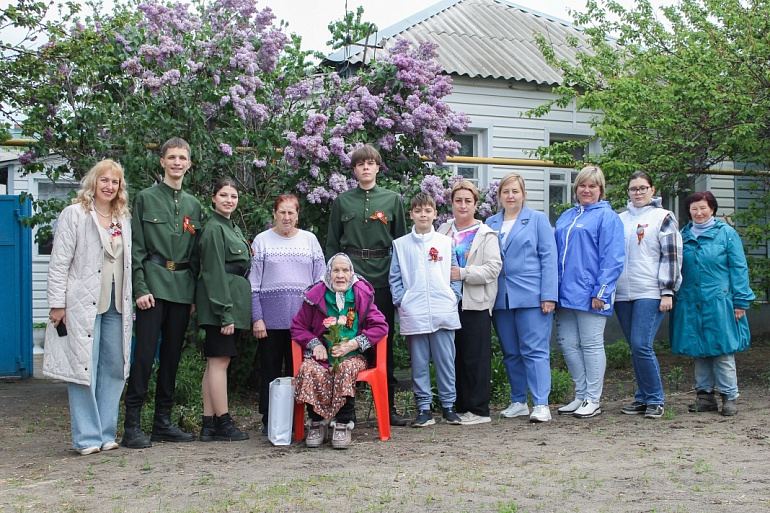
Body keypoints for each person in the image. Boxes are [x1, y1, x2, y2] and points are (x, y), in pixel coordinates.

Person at [44, 159, 133, 455]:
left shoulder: (123, 217)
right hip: (81, 304)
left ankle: (106, 433)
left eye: (115, 182)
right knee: (83, 368)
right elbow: (59, 263)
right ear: (93, 182)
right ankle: (86, 438)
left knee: (113, 367)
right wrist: (57, 305)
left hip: (116, 304)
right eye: (104, 180)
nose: (109, 186)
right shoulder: (75, 214)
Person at [122, 137, 201, 448]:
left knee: (171, 358)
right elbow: (137, 249)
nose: (177, 163)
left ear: (189, 164)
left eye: (182, 158)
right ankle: (131, 425)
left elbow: (194, 254)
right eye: (172, 157)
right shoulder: (146, 198)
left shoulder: (193, 205)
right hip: (152, 286)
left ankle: (162, 423)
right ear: (162, 162)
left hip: (181, 288)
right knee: (143, 357)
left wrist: (194, 295)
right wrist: (139, 287)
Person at [327, 144, 408, 426]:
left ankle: (389, 406)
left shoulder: (392, 200)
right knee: (345, 337)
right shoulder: (342, 201)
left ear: (377, 167)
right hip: (350, 282)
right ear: (354, 169)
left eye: (370, 163)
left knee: (383, 342)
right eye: (360, 164)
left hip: (382, 278)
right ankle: (344, 408)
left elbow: (401, 244)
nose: (365, 168)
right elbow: (333, 245)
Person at [290, 253, 388, 449]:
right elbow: (297, 327)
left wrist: (354, 344)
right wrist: (315, 344)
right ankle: (317, 423)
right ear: (328, 273)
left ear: (352, 273)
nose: (341, 275)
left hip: (353, 355)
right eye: (336, 270)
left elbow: (380, 326)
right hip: (322, 355)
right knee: (309, 369)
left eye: (345, 270)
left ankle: (343, 423)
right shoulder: (316, 295)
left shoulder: (361, 293)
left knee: (345, 369)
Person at [670, 191, 755, 416]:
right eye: (694, 209)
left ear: (712, 209)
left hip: (720, 301)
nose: (699, 213)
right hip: (690, 301)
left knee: (722, 349)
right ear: (688, 211)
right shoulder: (683, 235)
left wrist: (741, 300)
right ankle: (704, 396)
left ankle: (729, 396)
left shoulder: (726, 234)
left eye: (703, 208)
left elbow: (739, 268)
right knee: (699, 350)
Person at [485, 173, 557, 423]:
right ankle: (518, 401)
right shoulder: (491, 222)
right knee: (511, 352)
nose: (510, 196)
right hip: (500, 298)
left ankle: (541, 404)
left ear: (523, 194)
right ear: (499, 196)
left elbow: (549, 258)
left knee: (534, 351)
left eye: (515, 191)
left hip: (532, 296)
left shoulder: (537, 220)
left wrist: (549, 295)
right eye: (506, 192)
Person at [250, 194, 325, 435]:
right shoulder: (262, 241)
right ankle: (269, 420)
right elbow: (253, 284)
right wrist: (256, 318)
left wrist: (318, 320)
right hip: (270, 321)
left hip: (302, 322)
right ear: (274, 214)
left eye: (291, 212)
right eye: (282, 212)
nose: (286, 217)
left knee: (301, 371)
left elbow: (320, 283)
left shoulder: (310, 240)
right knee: (270, 370)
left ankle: (299, 419)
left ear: (298, 214)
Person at [554, 165, 624, 419]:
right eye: (582, 185)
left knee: (591, 344)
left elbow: (613, 259)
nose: (586, 190)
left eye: (592, 186)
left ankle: (593, 398)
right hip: (565, 295)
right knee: (569, 345)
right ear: (576, 189)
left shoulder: (608, 217)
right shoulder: (566, 216)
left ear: (601, 190)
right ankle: (581, 394)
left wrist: (601, 293)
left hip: (591, 295)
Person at [390, 192, 463, 427]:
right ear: (411, 214)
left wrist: (454, 296)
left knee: (445, 360)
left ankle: (448, 406)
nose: (423, 215)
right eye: (418, 210)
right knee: (419, 363)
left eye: (428, 210)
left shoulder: (445, 242)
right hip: (415, 312)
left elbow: (454, 272)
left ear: (435, 214)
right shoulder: (400, 245)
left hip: (443, 310)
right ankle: (423, 408)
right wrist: (403, 301)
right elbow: (395, 278)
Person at [615, 172, 683, 419]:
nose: (638, 193)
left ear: (652, 190)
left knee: (642, 344)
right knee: (635, 346)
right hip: (623, 294)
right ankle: (642, 397)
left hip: (651, 291)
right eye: (633, 189)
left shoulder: (663, 217)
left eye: (643, 188)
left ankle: (655, 398)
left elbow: (672, 255)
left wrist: (667, 290)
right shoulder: (619, 219)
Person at [437, 180, 502, 425]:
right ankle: (461, 406)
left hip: (475, 303)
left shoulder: (486, 234)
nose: (462, 205)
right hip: (447, 302)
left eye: (468, 201)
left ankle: (479, 409)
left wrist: (463, 273)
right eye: (458, 200)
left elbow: (493, 268)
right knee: (454, 356)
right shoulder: (443, 230)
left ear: (476, 204)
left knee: (475, 356)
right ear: (451, 203)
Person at [196, 178, 251, 442]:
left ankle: (208, 423)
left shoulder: (231, 227)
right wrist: (224, 312)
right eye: (224, 195)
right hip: (221, 305)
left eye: (233, 196)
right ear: (213, 198)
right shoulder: (214, 229)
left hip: (231, 302)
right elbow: (214, 272)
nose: (229, 200)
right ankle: (224, 422)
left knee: (214, 362)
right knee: (220, 362)